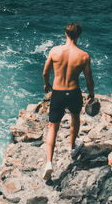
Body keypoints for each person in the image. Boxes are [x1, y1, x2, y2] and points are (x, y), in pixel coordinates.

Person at [40, 22, 95, 181]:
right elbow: (89, 79)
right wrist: (91, 93)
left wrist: (46, 83)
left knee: (52, 127)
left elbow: (45, 71)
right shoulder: (84, 55)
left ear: (65, 34)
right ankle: (72, 148)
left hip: (57, 92)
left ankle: (49, 163)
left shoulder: (55, 51)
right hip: (73, 92)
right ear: (78, 36)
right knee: (75, 118)